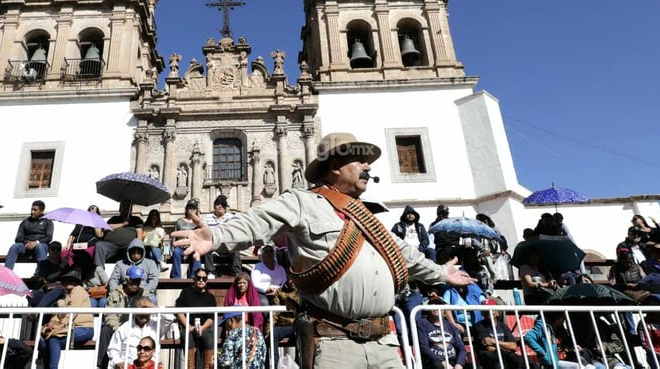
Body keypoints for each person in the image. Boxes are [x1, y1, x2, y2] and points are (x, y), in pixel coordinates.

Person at [173, 132, 476, 369]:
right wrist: (214, 235)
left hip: (383, 342)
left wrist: (440, 273)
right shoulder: (302, 202)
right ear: (334, 167)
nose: (368, 167)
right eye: (359, 161)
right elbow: (258, 220)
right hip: (333, 343)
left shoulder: (367, 217)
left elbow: (403, 254)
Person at [38, 269, 94, 369]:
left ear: (77, 282)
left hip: (84, 328)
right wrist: (52, 321)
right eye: (67, 279)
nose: (69, 281)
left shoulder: (78, 290)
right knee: (43, 340)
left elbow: (73, 310)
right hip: (70, 328)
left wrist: (61, 324)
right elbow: (59, 314)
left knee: (54, 339)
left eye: (73, 279)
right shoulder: (66, 296)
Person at [98, 266, 148, 369]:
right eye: (133, 281)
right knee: (105, 330)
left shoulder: (144, 294)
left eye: (138, 281)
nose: (135, 284)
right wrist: (119, 330)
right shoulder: (116, 293)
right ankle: (101, 366)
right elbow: (109, 314)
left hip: (137, 328)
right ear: (127, 280)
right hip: (118, 327)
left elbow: (147, 315)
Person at [106, 298, 173, 369]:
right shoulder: (125, 327)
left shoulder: (156, 325)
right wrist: (118, 361)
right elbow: (113, 348)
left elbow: (170, 318)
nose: (143, 313)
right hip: (129, 366)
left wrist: (152, 306)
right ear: (135, 311)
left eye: (146, 309)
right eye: (141, 309)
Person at [174, 267, 217, 369]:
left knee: (209, 337)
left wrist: (202, 328)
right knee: (188, 337)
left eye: (204, 278)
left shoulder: (210, 297)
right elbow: (180, 312)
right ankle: (190, 367)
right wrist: (188, 326)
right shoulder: (186, 292)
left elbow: (211, 318)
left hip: (204, 327)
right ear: (194, 279)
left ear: (206, 281)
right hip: (188, 326)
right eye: (198, 278)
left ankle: (207, 367)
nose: (201, 280)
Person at [94, 200, 145, 283]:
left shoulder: (136, 219)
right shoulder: (114, 219)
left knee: (135, 248)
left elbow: (139, 235)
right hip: (112, 245)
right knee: (100, 245)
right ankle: (100, 273)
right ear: (120, 208)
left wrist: (137, 244)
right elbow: (106, 227)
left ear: (131, 209)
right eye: (124, 206)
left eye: (128, 207)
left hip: (128, 246)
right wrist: (123, 224)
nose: (126, 208)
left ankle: (132, 275)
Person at [471, 297, 524, 369]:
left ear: (497, 313)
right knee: (499, 359)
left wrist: (494, 341)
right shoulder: (479, 326)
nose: (489, 312)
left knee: (526, 363)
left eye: (491, 309)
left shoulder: (503, 326)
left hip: (506, 356)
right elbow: (489, 348)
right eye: (486, 310)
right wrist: (506, 347)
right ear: (482, 313)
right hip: (489, 359)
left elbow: (513, 346)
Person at [416, 298, 467, 369]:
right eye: (433, 304)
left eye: (439, 304)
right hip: (434, 361)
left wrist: (459, 364)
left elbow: (461, 348)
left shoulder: (449, 325)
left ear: (444, 310)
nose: (436, 307)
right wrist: (442, 362)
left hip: (452, 360)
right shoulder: (422, 323)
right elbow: (424, 347)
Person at [201, 195, 242, 277]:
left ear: (225, 207)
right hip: (213, 245)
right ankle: (210, 272)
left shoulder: (231, 217)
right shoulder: (207, 217)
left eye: (222, 204)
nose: (220, 206)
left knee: (235, 248)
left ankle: (237, 272)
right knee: (207, 245)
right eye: (217, 204)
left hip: (226, 246)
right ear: (214, 206)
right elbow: (203, 231)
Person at [4, 200, 53, 269]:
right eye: (31, 209)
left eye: (35, 210)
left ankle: (43, 274)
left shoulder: (48, 221)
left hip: (41, 245)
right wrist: (26, 243)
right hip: (26, 246)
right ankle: (7, 273)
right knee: (14, 247)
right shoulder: (25, 222)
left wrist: (36, 243)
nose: (32, 212)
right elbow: (18, 238)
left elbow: (49, 237)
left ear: (41, 211)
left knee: (40, 247)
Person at [108, 239, 160, 303]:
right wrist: (117, 292)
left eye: (138, 252)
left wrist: (145, 292)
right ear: (129, 252)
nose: (136, 254)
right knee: (110, 299)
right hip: (124, 291)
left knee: (152, 299)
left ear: (142, 252)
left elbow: (154, 279)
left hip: (143, 291)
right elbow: (113, 279)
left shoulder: (150, 263)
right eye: (133, 252)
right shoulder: (120, 264)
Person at [170, 200, 202, 279]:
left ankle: (195, 276)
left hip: (193, 247)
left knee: (196, 253)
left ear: (197, 210)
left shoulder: (199, 222)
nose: (191, 210)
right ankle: (176, 276)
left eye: (194, 208)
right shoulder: (180, 221)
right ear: (186, 209)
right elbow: (174, 237)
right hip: (181, 246)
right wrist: (172, 248)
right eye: (190, 208)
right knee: (176, 252)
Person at [30, 241, 66, 308]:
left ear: (61, 251)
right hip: (44, 290)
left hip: (59, 292)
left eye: (58, 249)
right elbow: (49, 277)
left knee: (57, 290)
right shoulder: (43, 263)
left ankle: (38, 311)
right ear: (48, 251)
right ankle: (40, 312)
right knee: (37, 296)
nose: (55, 251)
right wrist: (61, 266)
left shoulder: (65, 264)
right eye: (53, 248)